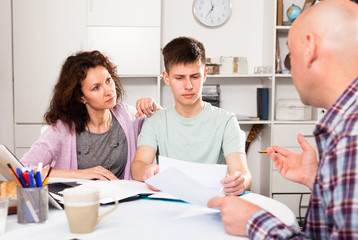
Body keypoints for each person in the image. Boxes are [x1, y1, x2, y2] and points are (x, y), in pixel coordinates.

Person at [208, 0, 358, 238]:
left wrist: (253, 221)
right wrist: (316, 177)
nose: (290, 65)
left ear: (310, 49)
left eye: (290, 52)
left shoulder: (351, 137)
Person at [131, 36, 252, 195]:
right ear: (166, 78)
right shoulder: (155, 121)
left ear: (205, 74)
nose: (188, 86)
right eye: (179, 78)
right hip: (169, 203)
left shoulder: (226, 121)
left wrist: (239, 182)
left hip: (214, 203)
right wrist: (147, 170)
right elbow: (137, 166)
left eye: (195, 76)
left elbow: (244, 174)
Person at [20, 50, 159, 180]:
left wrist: (155, 107)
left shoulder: (128, 116)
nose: (109, 91)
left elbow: (164, 125)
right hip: (77, 203)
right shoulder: (63, 129)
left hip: (119, 202)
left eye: (108, 80)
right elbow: (21, 170)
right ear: (81, 97)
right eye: (96, 87)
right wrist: (79, 174)